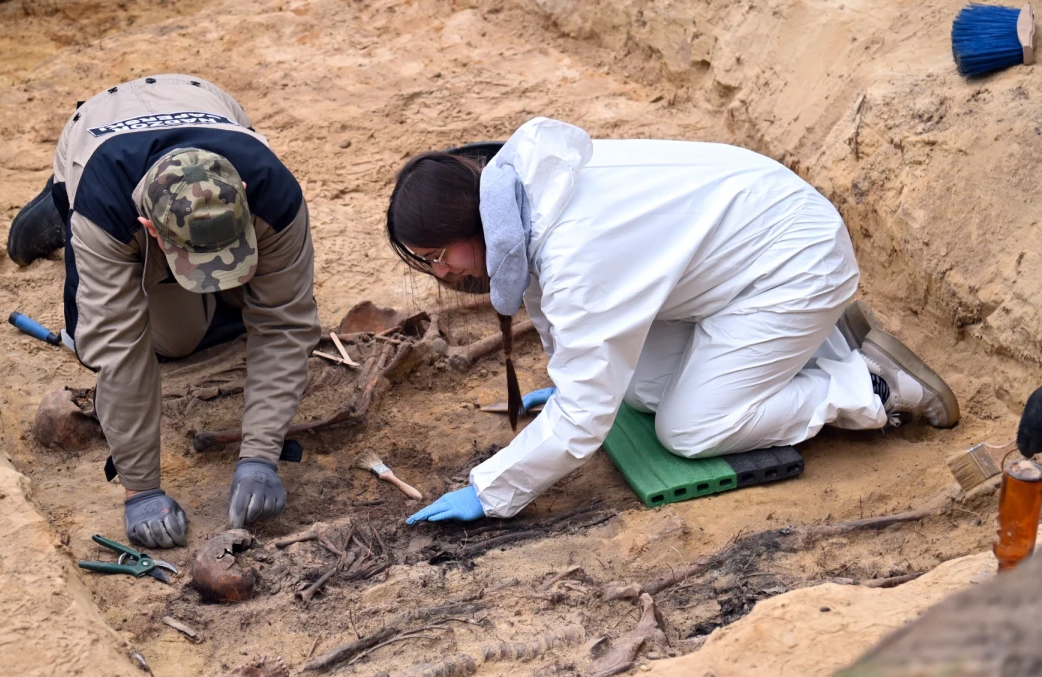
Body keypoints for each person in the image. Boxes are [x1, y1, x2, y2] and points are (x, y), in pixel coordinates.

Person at [386, 117, 960, 524]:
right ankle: (815, 342)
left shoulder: (574, 250)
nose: (441, 274)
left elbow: (584, 417)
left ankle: (872, 385)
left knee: (690, 430)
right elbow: (557, 316)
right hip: (747, 252)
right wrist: (567, 378)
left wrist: (491, 490)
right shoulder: (522, 194)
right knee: (640, 390)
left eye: (438, 257)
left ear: (472, 225)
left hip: (793, 263)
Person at [7, 74, 320, 548]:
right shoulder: (107, 215)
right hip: (98, 142)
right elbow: (120, 354)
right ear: (149, 227)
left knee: (255, 296)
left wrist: (260, 455)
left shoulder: (273, 192)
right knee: (174, 341)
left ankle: (206, 272)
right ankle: (56, 208)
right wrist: (141, 490)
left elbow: (285, 323)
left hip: (200, 99)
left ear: (241, 190)